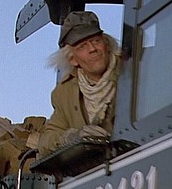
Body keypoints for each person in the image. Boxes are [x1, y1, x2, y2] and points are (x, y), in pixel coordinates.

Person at [37, 11, 122, 156]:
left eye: (96, 41)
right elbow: (46, 142)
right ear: (72, 59)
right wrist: (71, 137)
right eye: (82, 46)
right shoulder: (64, 93)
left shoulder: (134, 68)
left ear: (106, 44)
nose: (92, 49)